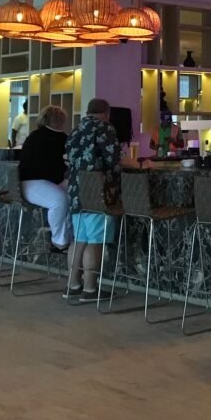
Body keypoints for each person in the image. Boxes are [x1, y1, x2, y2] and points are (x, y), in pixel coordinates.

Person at [64, 98, 138, 302]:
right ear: (106, 112)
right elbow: (116, 158)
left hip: (76, 190)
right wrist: (139, 165)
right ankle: (90, 289)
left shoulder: (77, 129)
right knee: (95, 241)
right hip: (98, 191)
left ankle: (72, 285)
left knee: (79, 239)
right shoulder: (105, 128)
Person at [19, 105, 71, 252]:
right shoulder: (61, 139)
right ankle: (59, 241)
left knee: (68, 196)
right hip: (34, 182)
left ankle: (65, 238)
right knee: (60, 200)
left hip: (27, 183)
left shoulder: (34, 136)